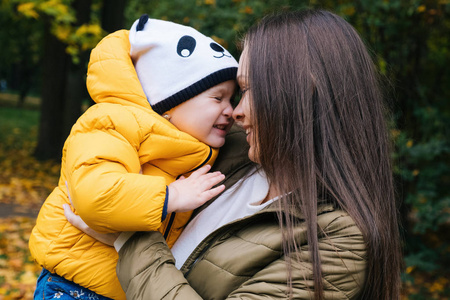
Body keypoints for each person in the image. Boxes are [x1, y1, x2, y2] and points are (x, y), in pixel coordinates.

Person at [65, 9, 402, 300]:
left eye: (250, 89)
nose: (236, 112)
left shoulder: (335, 241)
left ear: (300, 94)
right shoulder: (222, 151)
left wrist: (128, 236)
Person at [29, 15, 239, 300]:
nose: (230, 110)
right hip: (74, 287)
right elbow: (96, 195)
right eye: (218, 98)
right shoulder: (113, 123)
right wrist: (171, 195)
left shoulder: (193, 149)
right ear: (171, 100)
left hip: (129, 287)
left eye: (232, 99)